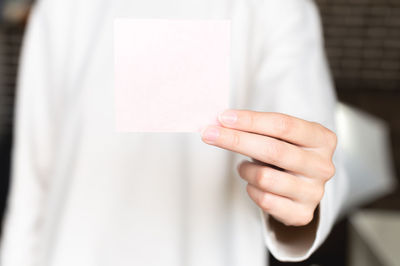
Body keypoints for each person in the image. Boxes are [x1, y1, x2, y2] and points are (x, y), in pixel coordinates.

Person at [0, 0, 349, 265]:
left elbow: (315, 152)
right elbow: (32, 184)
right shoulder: (61, 9)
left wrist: (303, 188)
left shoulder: (275, 8)